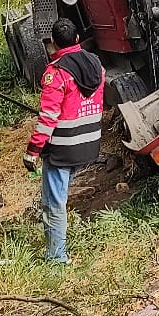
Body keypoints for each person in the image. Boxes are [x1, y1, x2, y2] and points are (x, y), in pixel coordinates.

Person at [22, 18, 105, 263]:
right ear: (77, 39)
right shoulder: (97, 65)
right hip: (90, 143)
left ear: (53, 44)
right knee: (62, 194)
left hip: (63, 148)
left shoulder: (56, 73)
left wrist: (33, 150)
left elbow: (48, 117)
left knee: (53, 203)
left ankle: (56, 258)